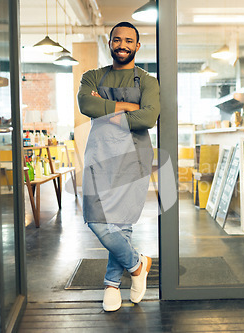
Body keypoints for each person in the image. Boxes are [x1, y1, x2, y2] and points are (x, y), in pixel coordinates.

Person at [77, 21, 160, 312]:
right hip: (99, 157)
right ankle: (139, 266)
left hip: (133, 157)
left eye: (128, 41)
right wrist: (127, 109)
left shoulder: (148, 81)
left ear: (137, 46)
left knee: (121, 223)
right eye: (117, 40)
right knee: (96, 220)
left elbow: (148, 119)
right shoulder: (92, 76)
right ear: (110, 42)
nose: (122, 45)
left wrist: (107, 110)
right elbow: (86, 106)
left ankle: (111, 285)